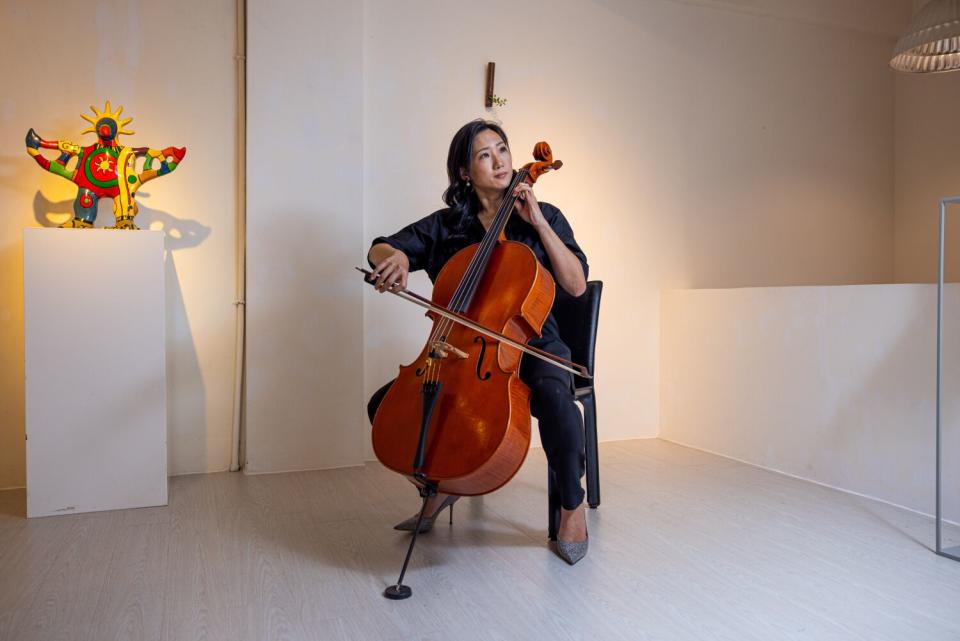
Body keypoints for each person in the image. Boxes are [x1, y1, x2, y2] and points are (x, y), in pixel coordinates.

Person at [366, 119, 590, 564]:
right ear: (466, 172)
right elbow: (381, 247)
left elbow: (576, 284)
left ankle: (572, 507)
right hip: (465, 351)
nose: (500, 161)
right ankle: (438, 487)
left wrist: (539, 221)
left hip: (535, 342)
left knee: (554, 398)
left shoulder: (547, 217)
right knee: (385, 406)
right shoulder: (449, 225)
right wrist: (391, 258)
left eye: (502, 149)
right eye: (484, 155)